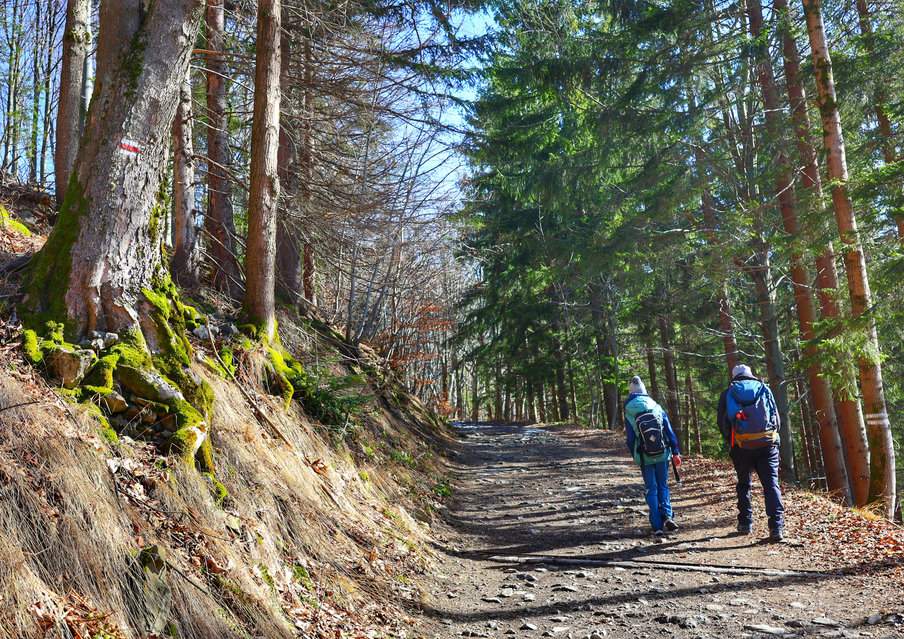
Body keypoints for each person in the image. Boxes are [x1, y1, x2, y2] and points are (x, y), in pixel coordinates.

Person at [718, 364, 785, 542]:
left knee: (744, 484)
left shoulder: (728, 393)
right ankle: (776, 527)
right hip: (767, 444)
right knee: (771, 484)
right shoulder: (764, 388)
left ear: (734, 377)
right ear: (750, 375)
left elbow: (722, 422)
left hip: (741, 446)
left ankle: (745, 523)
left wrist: (733, 441)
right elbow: (776, 419)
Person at [624, 375, 681, 535]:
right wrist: (675, 451)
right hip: (662, 452)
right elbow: (668, 430)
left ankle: (656, 525)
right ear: (644, 391)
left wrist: (635, 455)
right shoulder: (655, 405)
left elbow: (630, 438)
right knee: (663, 485)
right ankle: (668, 515)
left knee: (651, 488)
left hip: (644, 455)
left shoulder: (629, 409)